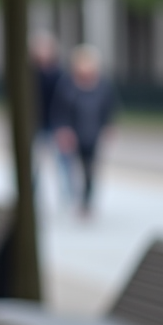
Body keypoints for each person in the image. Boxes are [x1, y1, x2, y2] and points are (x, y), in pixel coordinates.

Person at [51, 45, 117, 219]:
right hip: (72, 134)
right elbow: (60, 109)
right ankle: (71, 197)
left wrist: (109, 126)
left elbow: (110, 108)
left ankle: (86, 202)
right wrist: (63, 130)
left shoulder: (103, 85)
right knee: (68, 167)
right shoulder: (68, 85)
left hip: (92, 133)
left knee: (89, 169)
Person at [29, 31, 72, 203]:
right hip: (37, 124)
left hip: (56, 124)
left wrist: (65, 126)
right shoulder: (30, 73)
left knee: (64, 163)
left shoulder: (60, 74)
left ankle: (68, 196)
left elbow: (66, 101)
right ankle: (30, 196)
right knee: (35, 164)